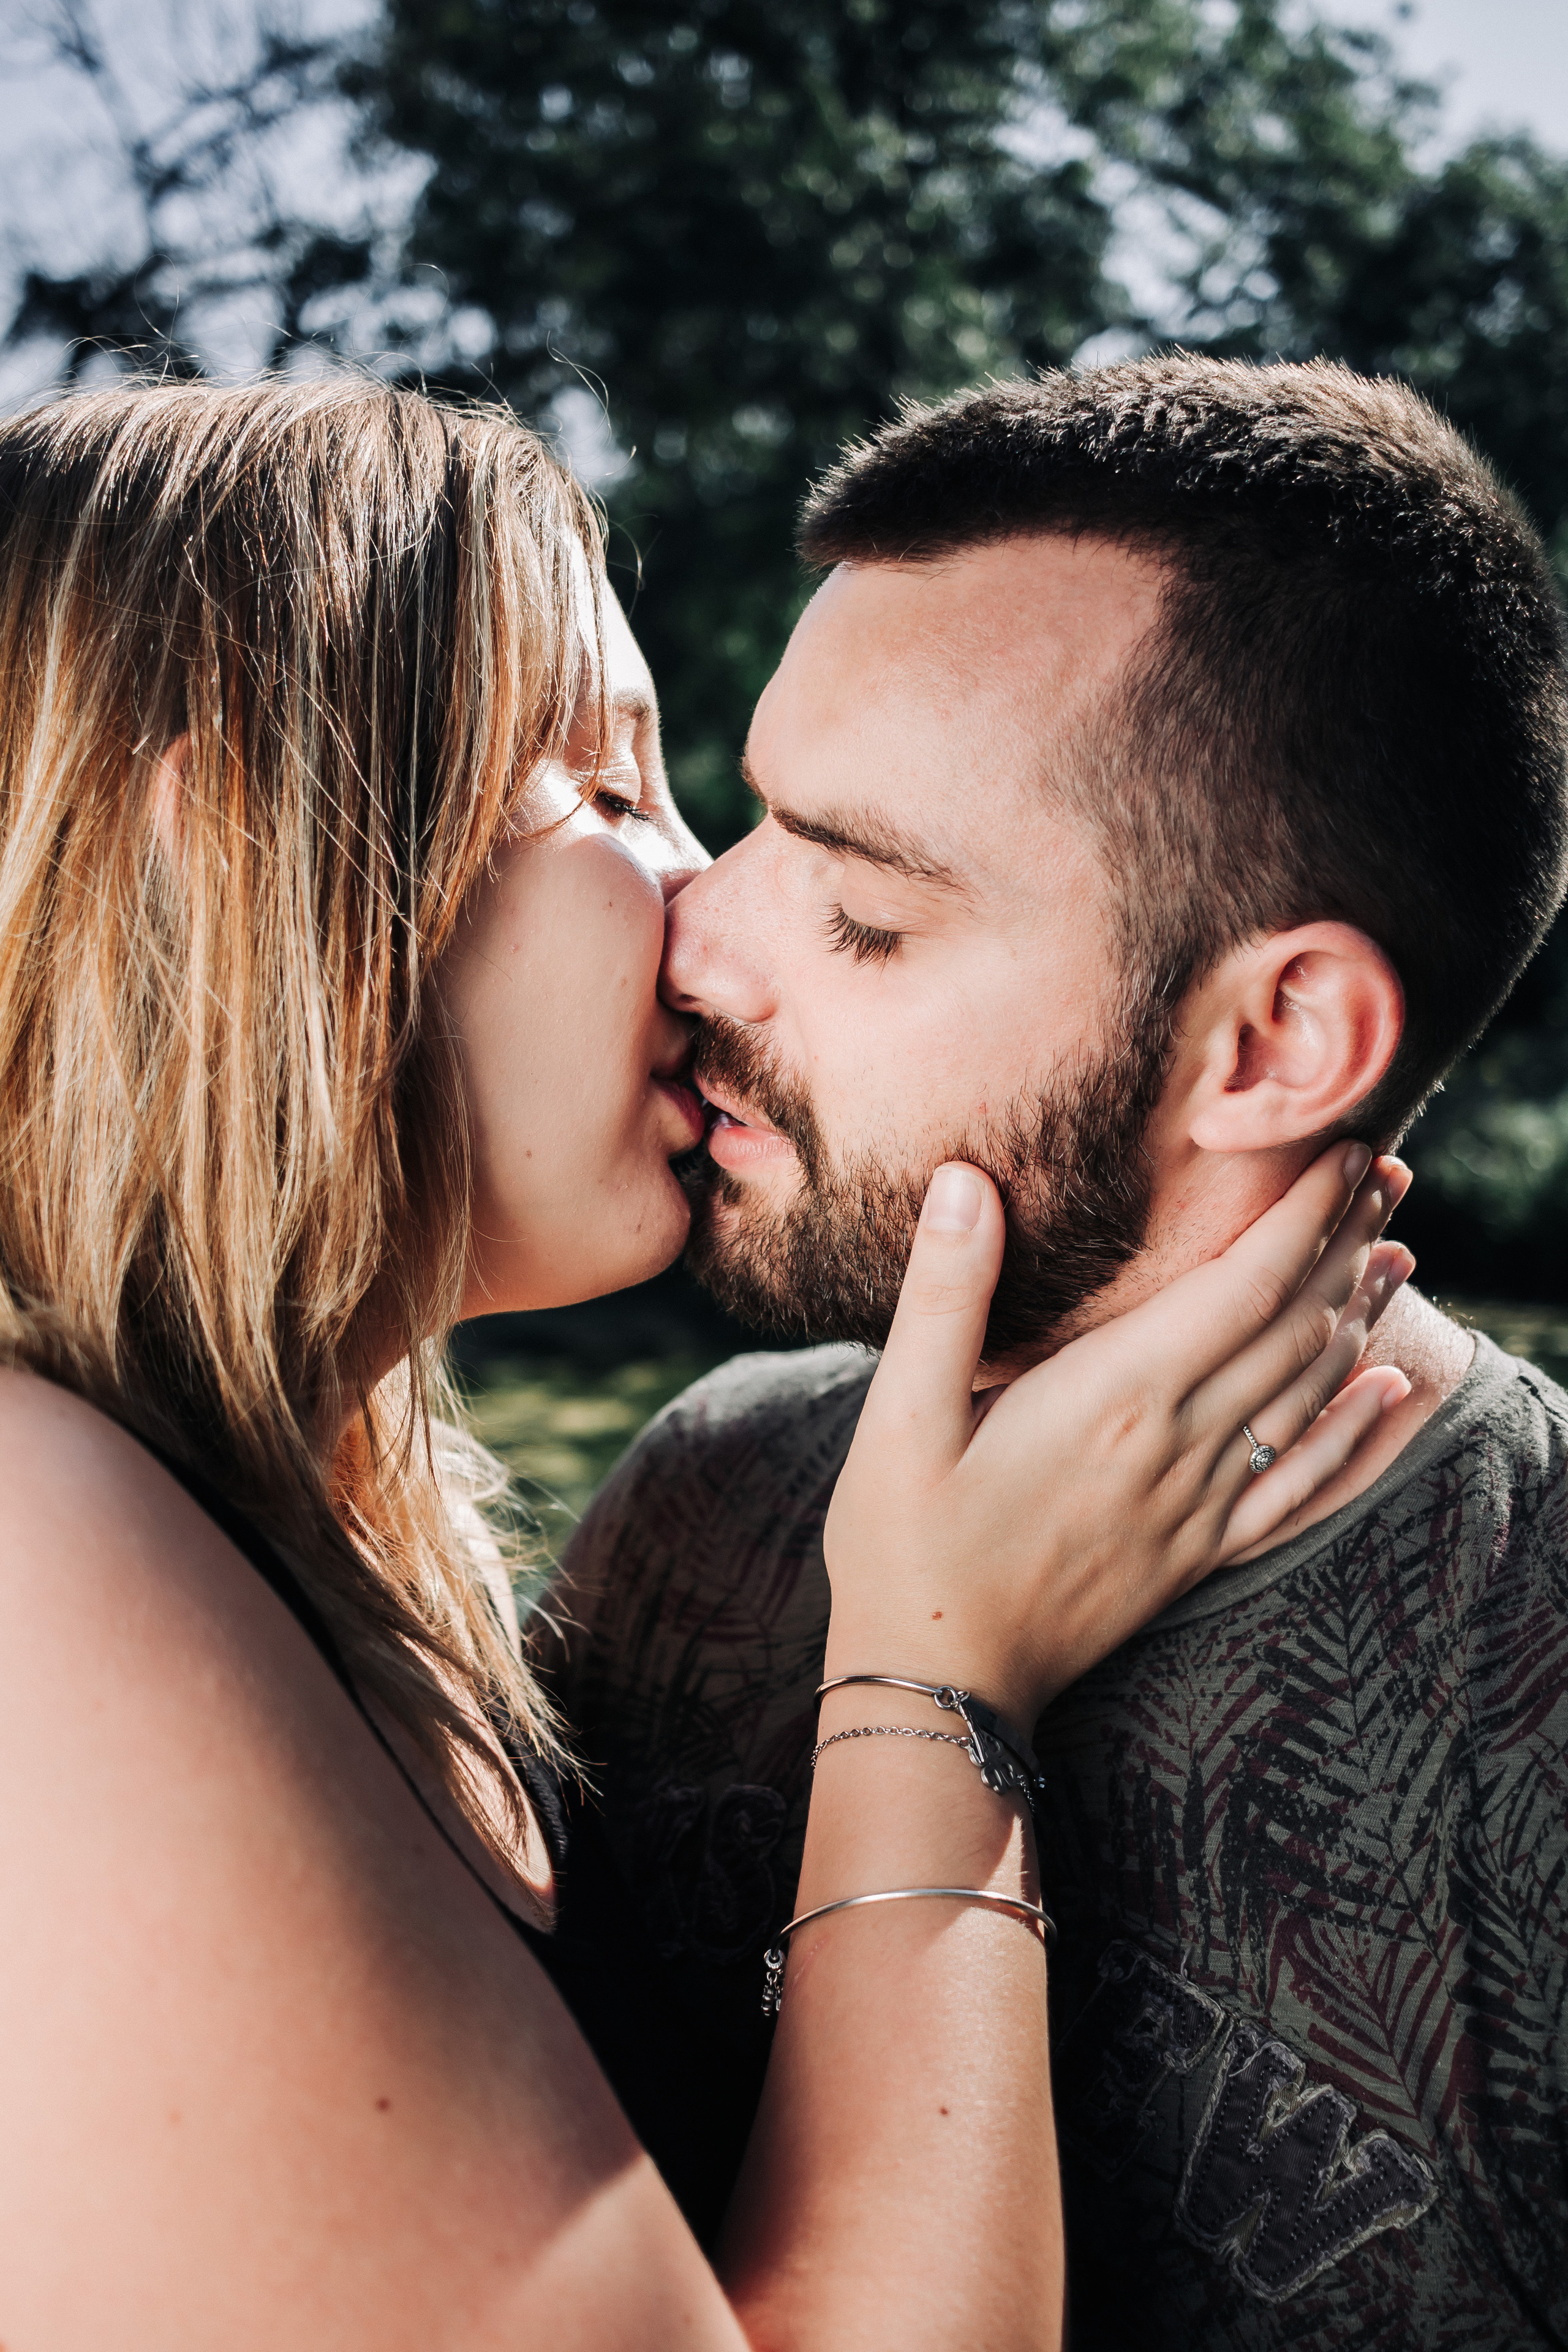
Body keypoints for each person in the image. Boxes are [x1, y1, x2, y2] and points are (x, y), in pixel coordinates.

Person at [0, 373, 1410, 2348]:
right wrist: (934, 1678)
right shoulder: (28, 1546)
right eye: (598, 786)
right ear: (233, 848)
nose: (710, 906)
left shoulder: (332, 1530)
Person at [545, 358, 1568, 2346]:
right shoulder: (704, 1499)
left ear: (1271, 1043)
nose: (692, 939)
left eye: (860, 911)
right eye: (754, 825)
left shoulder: (1528, 1666)